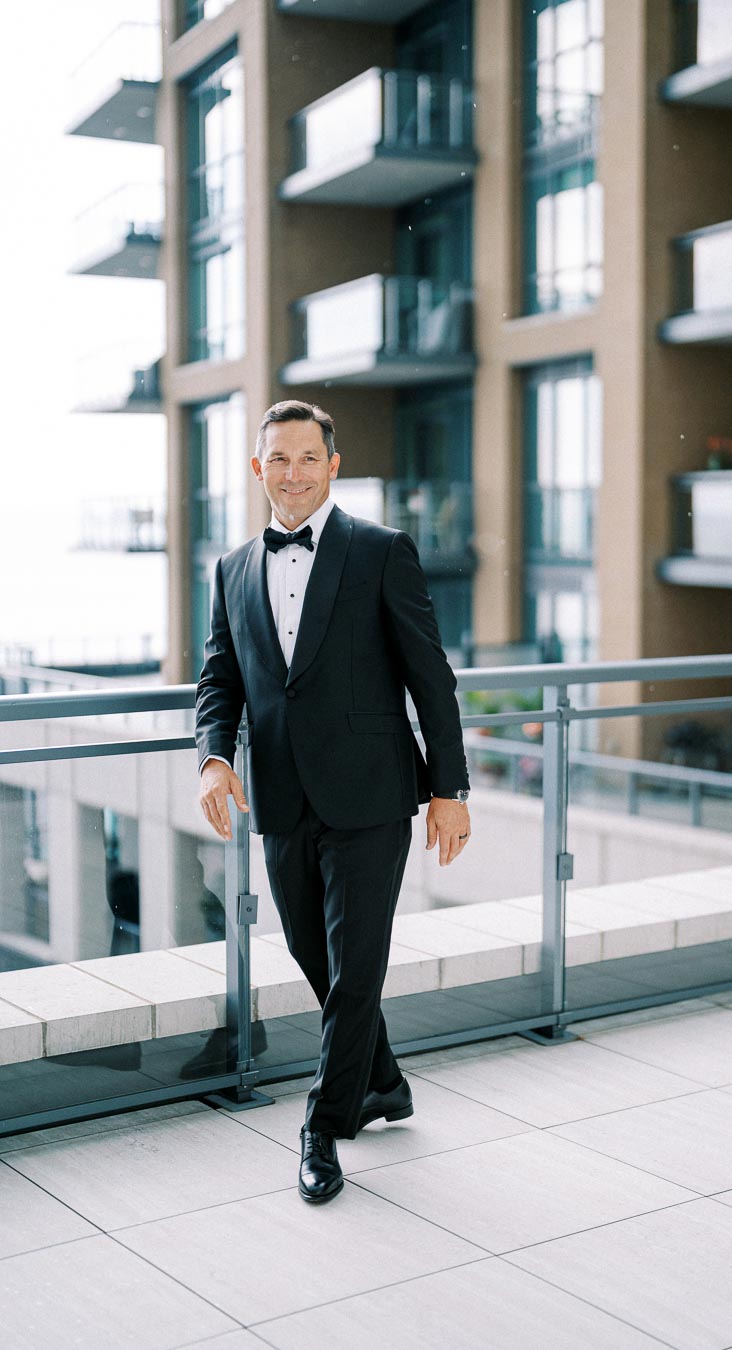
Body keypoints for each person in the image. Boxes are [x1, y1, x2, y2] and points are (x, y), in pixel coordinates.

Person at [195, 399, 471, 1203]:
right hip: (281, 796)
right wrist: (213, 758)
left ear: (333, 465)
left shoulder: (381, 551)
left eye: (308, 457)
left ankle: (323, 1127)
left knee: (355, 967)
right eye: (279, 458)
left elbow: (430, 676)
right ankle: (382, 1081)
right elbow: (220, 678)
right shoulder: (231, 569)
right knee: (313, 955)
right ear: (258, 468)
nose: (294, 473)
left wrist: (448, 788)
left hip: (373, 793)